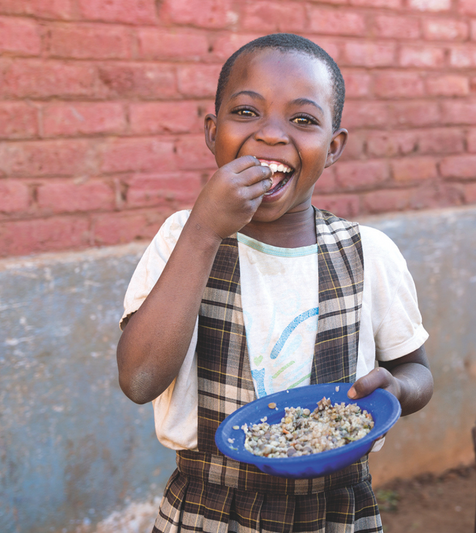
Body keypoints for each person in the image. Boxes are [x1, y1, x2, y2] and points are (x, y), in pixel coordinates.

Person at [116, 33, 434, 533]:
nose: (271, 134)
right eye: (246, 112)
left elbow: (416, 371)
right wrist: (203, 230)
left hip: (336, 512)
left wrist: (396, 390)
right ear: (211, 131)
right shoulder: (183, 237)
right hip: (206, 510)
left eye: (303, 120)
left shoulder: (370, 253)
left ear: (333, 148)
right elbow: (138, 381)